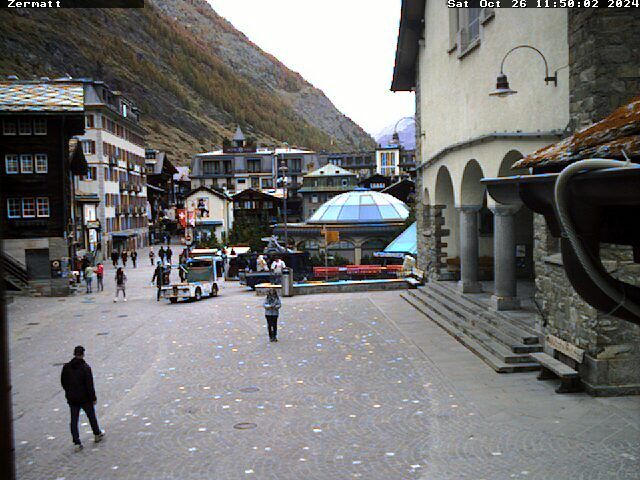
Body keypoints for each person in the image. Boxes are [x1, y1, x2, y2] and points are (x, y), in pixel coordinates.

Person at [60, 345, 105, 451]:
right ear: (83, 354)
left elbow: (63, 382)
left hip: (72, 399)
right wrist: (93, 398)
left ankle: (76, 441)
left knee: (74, 420)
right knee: (91, 416)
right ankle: (97, 434)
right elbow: (90, 385)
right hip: (85, 398)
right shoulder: (85, 368)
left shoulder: (66, 367)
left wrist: (68, 392)